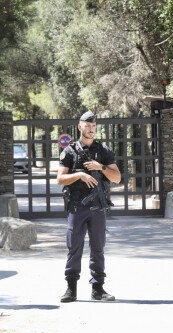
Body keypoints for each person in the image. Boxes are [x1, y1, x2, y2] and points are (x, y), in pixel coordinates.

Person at [56, 111, 121, 302]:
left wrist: (100, 167)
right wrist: (80, 175)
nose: (91, 129)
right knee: (74, 247)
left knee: (98, 248)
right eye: (88, 126)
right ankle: (71, 289)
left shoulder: (103, 151)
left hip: (98, 206)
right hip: (78, 205)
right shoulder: (69, 151)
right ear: (80, 127)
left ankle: (98, 288)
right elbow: (60, 179)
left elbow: (116, 178)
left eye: (94, 126)